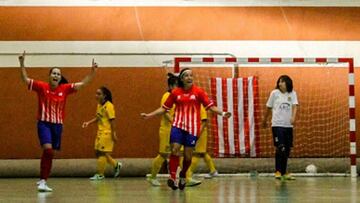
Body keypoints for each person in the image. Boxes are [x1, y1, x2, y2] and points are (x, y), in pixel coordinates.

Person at [19, 51, 97, 192]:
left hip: (58, 126)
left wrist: (92, 72)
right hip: (43, 124)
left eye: (58, 74)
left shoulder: (65, 89)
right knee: (48, 150)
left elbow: (83, 84)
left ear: (60, 78)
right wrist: (21, 63)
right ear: (49, 76)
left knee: (50, 153)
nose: (56, 75)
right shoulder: (42, 87)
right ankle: (43, 181)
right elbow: (25, 79)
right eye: (53, 73)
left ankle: (42, 177)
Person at [141, 68, 231, 190]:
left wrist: (223, 113)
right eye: (186, 76)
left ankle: (183, 174)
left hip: (192, 128)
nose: (189, 77)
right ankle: (173, 177)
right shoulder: (175, 93)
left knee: (188, 157)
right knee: (175, 149)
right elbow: (164, 108)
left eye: (191, 75)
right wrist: (149, 115)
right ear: (182, 79)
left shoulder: (199, 92)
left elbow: (210, 107)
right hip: (177, 126)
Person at [262, 75, 298, 180]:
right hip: (277, 125)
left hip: (288, 126)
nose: (280, 84)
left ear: (287, 83)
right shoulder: (274, 93)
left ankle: (284, 172)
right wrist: (264, 120)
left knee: (287, 149)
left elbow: (295, 106)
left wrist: (293, 117)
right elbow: (268, 107)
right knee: (280, 147)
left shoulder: (292, 93)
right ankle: (278, 171)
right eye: (279, 82)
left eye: (282, 82)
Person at [82, 86, 122, 180]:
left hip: (106, 133)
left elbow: (112, 121)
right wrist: (88, 122)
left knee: (102, 154)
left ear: (105, 96)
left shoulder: (109, 106)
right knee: (97, 152)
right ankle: (116, 165)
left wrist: (113, 133)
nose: (96, 95)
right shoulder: (99, 105)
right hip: (100, 132)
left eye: (99, 94)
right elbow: (98, 118)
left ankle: (100, 174)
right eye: (96, 93)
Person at [147, 73, 178, 186]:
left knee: (177, 153)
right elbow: (165, 112)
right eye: (175, 85)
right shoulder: (166, 96)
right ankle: (152, 176)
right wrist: (174, 122)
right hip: (166, 130)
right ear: (170, 86)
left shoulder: (177, 97)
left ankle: (177, 177)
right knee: (163, 155)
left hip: (174, 130)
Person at [186, 105, 218, 187]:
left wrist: (197, 134)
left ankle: (188, 174)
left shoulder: (199, 107)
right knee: (203, 153)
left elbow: (204, 122)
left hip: (200, 133)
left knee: (197, 153)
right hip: (197, 132)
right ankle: (213, 170)